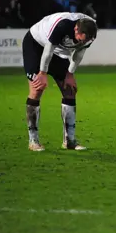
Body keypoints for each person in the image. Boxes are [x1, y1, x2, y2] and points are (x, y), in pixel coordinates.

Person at [23, 12, 98, 152]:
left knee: (69, 90)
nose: (81, 42)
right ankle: (33, 140)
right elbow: (48, 50)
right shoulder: (62, 25)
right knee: (37, 89)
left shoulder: (90, 32)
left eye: (84, 41)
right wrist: (42, 73)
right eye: (80, 39)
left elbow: (79, 53)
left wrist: (70, 73)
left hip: (57, 52)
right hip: (36, 45)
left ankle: (69, 141)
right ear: (76, 29)